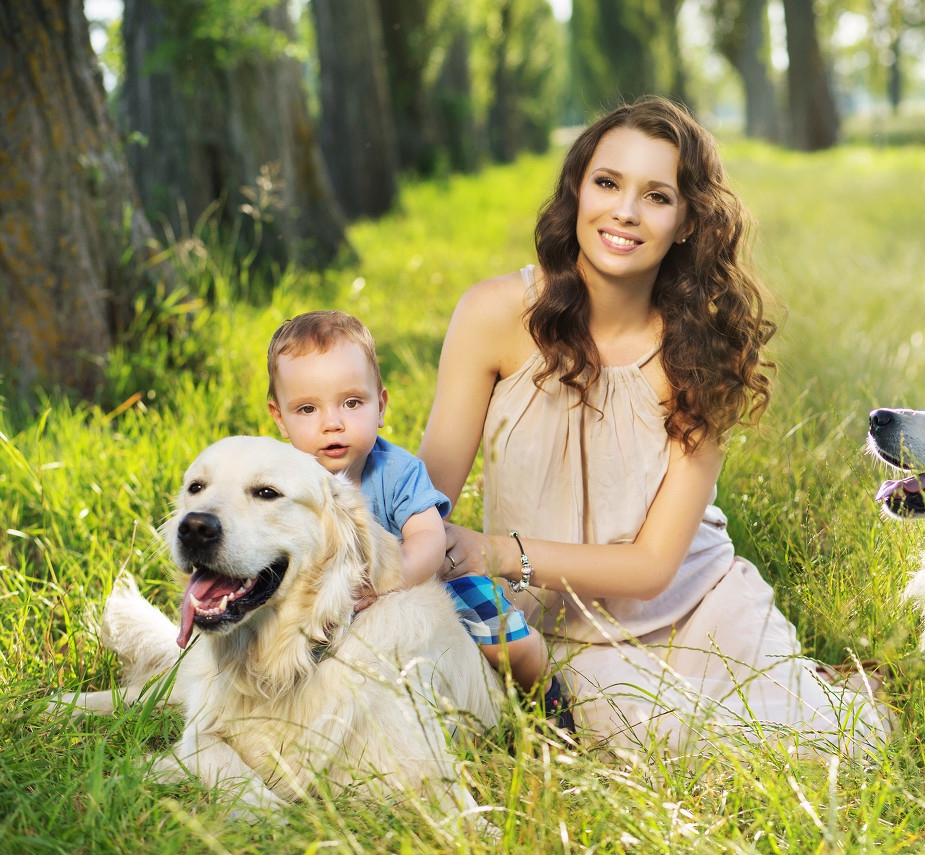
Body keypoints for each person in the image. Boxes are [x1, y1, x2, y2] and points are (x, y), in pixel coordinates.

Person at [419, 97, 889, 756]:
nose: (625, 212)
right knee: (699, 740)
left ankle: (826, 695)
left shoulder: (703, 349)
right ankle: (807, 689)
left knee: (846, 743)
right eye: (607, 182)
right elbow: (423, 502)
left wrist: (494, 551)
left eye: (657, 196)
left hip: (702, 600)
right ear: (578, 189)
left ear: (689, 220)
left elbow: (650, 566)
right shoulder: (493, 315)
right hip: (561, 632)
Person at [266, 311, 569, 722]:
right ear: (279, 418)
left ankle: (544, 695)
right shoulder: (285, 482)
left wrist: (392, 578)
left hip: (430, 583)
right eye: (307, 409)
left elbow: (428, 538)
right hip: (333, 598)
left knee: (508, 643)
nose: (332, 423)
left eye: (352, 402)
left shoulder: (395, 470)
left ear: (380, 406)